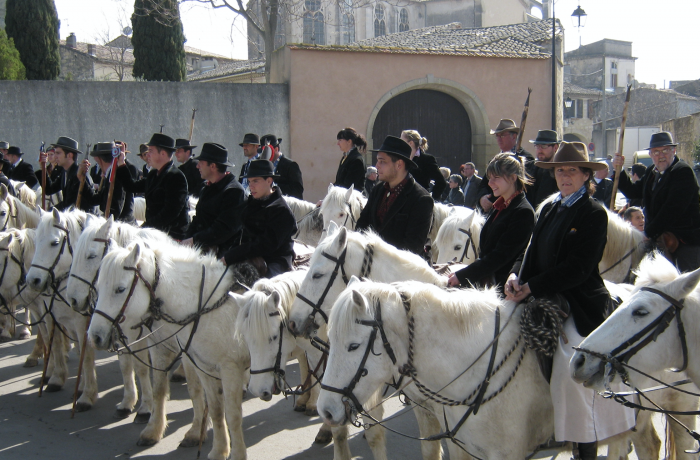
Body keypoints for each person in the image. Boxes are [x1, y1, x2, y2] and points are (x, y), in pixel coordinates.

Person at [505, 141, 634, 459]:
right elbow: (531, 252)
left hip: (579, 300)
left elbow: (578, 268)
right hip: (538, 292)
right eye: (560, 170)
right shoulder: (549, 207)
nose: (565, 176)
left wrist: (532, 286)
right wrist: (515, 276)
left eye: (572, 171)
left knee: (571, 364)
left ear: (585, 175)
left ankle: (584, 443)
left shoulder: (593, 213)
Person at [613, 131, 700, 272]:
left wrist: (647, 234)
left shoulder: (683, 172)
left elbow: (671, 210)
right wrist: (619, 170)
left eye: (665, 150)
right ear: (651, 155)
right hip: (659, 240)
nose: (661, 156)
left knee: (686, 286)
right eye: (656, 152)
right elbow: (632, 192)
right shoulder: (651, 173)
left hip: (684, 242)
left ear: (674, 151)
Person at [448, 153, 535, 289]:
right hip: (487, 279)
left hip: (504, 288)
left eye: (496, 178)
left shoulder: (523, 212)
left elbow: (500, 256)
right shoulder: (501, 206)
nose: (490, 183)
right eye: (489, 178)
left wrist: (463, 275)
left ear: (513, 178)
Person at [356, 136, 434, 257]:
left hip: (402, 271)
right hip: (369, 265)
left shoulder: (421, 199)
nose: (377, 165)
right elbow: (361, 227)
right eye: (377, 160)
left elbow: (412, 249)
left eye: (382, 161)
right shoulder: (377, 190)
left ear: (399, 164)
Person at [222, 160, 297, 278]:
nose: (251, 186)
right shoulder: (250, 204)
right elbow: (242, 235)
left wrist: (233, 255)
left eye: (255, 181)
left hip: (275, 261)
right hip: (249, 257)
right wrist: (228, 254)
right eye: (249, 181)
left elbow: (266, 245)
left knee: (263, 290)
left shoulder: (281, 210)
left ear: (269, 180)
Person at [117, 133, 190, 239]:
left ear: (163, 154)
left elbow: (169, 213)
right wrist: (121, 162)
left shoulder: (176, 177)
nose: (148, 155)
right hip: (154, 233)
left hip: (171, 236)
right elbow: (131, 186)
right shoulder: (153, 174)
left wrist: (144, 228)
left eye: (151, 151)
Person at [182, 143, 245, 258]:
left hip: (222, 257)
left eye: (201, 163)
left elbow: (223, 230)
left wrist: (194, 240)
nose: (197, 166)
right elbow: (198, 220)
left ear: (213, 166)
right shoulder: (207, 188)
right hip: (201, 250)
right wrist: (185, 241)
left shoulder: (234, 192)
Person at [477, 119, 534, 212]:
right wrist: (482, 198)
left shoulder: (525, 159)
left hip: (514, 210)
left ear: (514, 136)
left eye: (502, 135)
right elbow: (484, 184)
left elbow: (526, 188)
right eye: (497, 136)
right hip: (493, 210)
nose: (499, 139)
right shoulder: (494, 161)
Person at [78, 142, 135, 223]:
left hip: (123, 226)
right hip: (111, 222)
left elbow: (115, 211)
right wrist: (82, 180)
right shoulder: (109, 175)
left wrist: (99, 221)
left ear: (98, 159)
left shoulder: (117, 175)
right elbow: (94, 200)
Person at [39, 137, 93, 211]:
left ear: (69, 155)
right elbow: (49, 190)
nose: (55, 157)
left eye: (58, 153)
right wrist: (43, 168)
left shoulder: (79, 174)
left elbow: (69, 203)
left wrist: (51, 211)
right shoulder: (64, 173)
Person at [400, 130, 446, 200]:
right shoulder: (401, 158)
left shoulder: (427, 159)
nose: (399, 142)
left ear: (410, 143)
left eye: (402, 140)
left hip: (419, 202)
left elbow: (441, 182)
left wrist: (432, 199)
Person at [259, 134, 304, 200]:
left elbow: (298, 190)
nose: (264, 155)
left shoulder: (290, 165)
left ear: (276, 149)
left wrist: (275, 187)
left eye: (267, 151)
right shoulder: (264, 166)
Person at [526, 129, 560, 208]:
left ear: (555, 147)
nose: (539, 150)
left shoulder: (559, 172)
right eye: (537, 146)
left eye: (544, 146)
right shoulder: (529, 168)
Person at [334, 127, 367, 192]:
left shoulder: (357, 160)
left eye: (340, 140)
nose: (338, 143)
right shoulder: (346, 157)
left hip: (354, 199)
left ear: (349, 141)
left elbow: (348, 186)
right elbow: (338, 182)